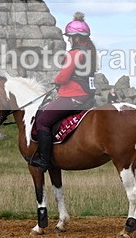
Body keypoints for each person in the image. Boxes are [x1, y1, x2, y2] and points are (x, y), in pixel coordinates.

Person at [31, 12, 98, 172]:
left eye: (70, 37)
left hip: (72, 96)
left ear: (76, 37)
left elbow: (63, 76)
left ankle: (44, 160)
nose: (69, 40)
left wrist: (56, 81)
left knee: (42, 122)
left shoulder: (74, 53)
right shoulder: (90, 52)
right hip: (87, 96)